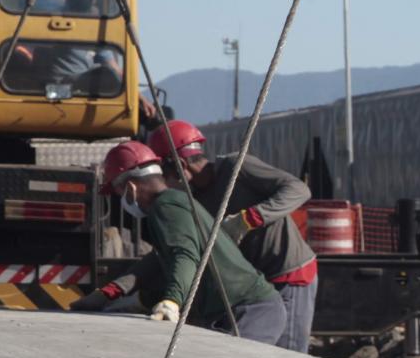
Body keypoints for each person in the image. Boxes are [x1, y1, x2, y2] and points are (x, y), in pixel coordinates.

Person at [71, 141, 286, 344]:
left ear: (131, 187)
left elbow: (184, 255)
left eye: (118, 192)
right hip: (241, 309)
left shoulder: (166, 207)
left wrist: (172, 302)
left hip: (250, 309)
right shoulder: (172, 203)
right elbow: (159, 262)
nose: (120, 199)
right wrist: (112, 293)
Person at [146, 121, 318, 353]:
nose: (166, 183)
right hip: (258, 282)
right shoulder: (196, 200)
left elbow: (298, 190)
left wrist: (249, 219)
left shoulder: (236, 167)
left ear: (180, 165)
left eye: (165, 174)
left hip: (287, 273)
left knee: (287, 355)